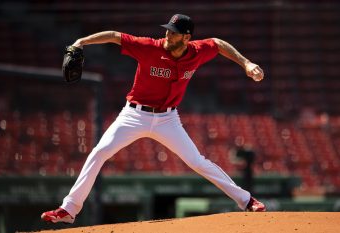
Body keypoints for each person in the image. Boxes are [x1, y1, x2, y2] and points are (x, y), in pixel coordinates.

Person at [41, 14, 266, 224]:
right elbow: (113, 35)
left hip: (168, 119)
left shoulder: (197, 52)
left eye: (174, 32)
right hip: (134, 115)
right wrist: (82, 41)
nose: (168, 35)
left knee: (197, 162)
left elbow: (218, 44)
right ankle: (69, 209)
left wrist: (245, 63)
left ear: (187, 37)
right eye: (168, 30)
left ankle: (247, 200)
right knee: (99, 152)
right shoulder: (149, 47)